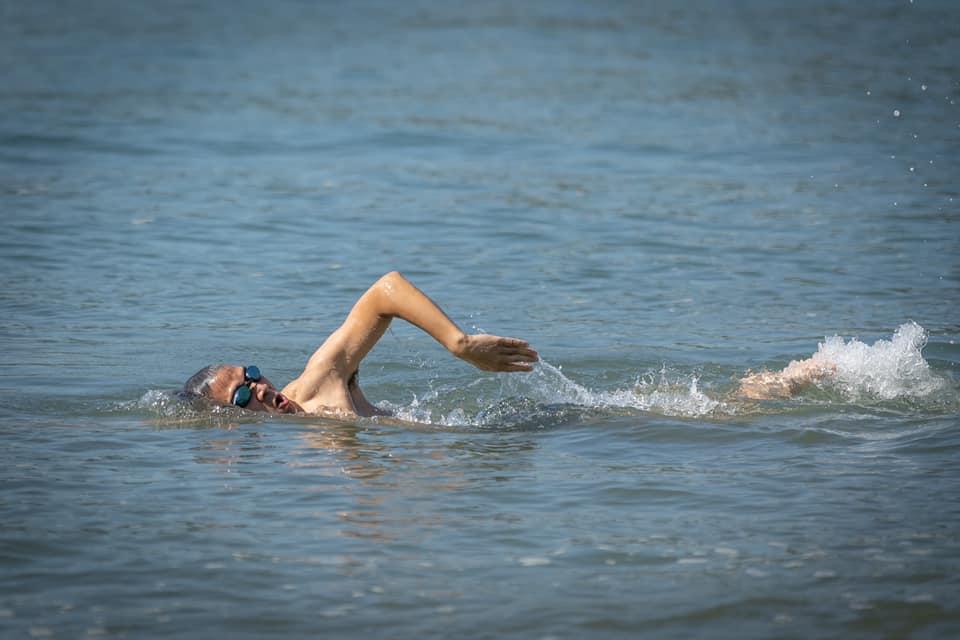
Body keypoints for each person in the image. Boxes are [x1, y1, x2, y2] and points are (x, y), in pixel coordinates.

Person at [183, 271, 540, 417]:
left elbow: (386, 290)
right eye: (242, 396)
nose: (258, 388)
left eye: (252, 375)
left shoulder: (314, 384)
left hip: (478, 441)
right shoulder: (292, 452)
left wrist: (459, 344)